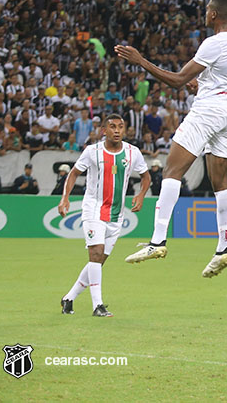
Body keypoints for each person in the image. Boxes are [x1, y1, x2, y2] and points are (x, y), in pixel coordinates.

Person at [115, 0, 227, 278]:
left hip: (208, 112)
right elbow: (226, 76)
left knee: (172, 170)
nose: (204, 13)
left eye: (207, 10)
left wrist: (141, 61)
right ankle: (223, 249)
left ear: (213, 15)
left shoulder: (213, 43)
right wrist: (203, 86)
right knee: (220, 181)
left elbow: (176, 80)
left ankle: (157, 242)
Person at [58, 114, 151, 317]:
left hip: (116, 215)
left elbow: (146, 176)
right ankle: (97, 305)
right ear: (104, 131)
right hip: (93, 210)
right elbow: (74, 173)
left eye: (120, 126)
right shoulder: (93, 151)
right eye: (112, 127)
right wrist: (65, 198)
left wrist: (142, 194)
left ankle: (69, 298)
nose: (117, 130)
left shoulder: (133, 152)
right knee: (95, 255)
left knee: (98, 262)